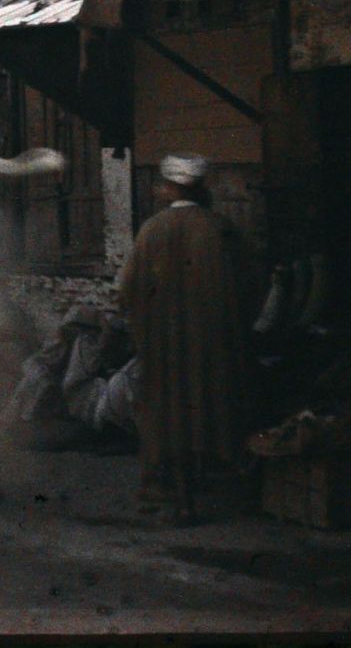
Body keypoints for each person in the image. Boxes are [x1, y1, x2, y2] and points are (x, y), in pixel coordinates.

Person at [117, 154, 256, 523]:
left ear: (171, 188)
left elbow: (126, 290)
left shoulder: (151, 230)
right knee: (210, 415)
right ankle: (215, 490)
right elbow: (250, 287)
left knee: (169, 421)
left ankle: (174, 500)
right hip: (214, 350)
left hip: (164, 352)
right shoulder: (220, 229)